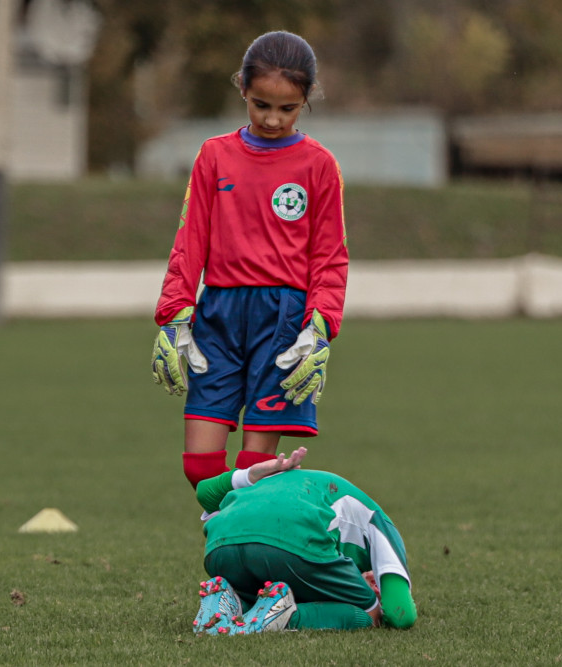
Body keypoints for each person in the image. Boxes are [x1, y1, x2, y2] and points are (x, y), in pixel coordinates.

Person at [150, 30, 349, 490]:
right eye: (261, 104)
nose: (273, 119)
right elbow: (189, 241)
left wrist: (319, 328)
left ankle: (235, 562)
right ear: (242, 87)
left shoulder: (319, 164)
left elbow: (330, 257)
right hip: (218, 316)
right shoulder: (214, 155)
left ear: (307, 100)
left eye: (288, 108)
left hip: (282, 323)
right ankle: (236, 546)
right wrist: (174, 315)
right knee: (199, 467)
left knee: (255, 472)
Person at [190, 447, 417, 635]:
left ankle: (230, 600)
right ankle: (287, 619)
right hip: (291, 538)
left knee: (274, 592)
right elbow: (401, 615)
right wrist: (381, 606)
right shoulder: (381, 523)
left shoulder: (286, 480)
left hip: (219, 548)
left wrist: (250, 474)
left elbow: (205, 493)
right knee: (370, 614)